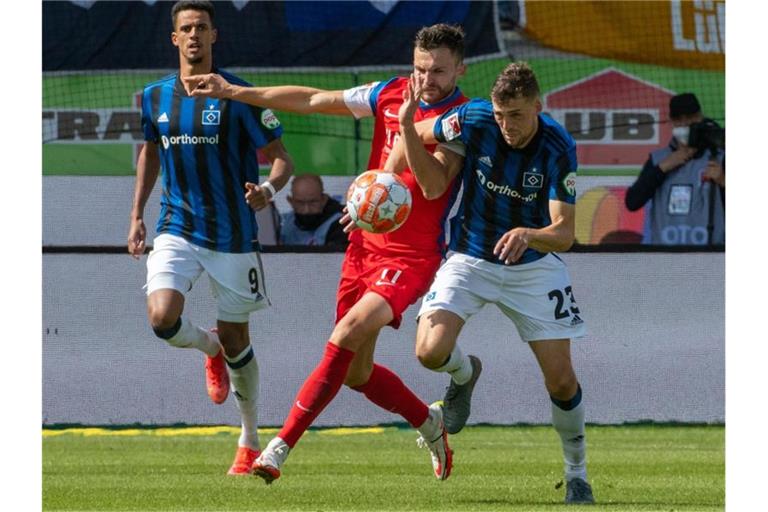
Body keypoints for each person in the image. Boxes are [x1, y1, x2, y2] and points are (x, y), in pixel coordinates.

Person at [183, 23, 482, 482]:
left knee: (345, 334)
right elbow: (313, 99)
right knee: (357, 373)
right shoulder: (389, 93)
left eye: (439, 71)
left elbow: (434, 184)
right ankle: (430, 421)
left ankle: (278, 448)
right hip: (363, 248)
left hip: (411, 257)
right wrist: (233, 92)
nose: (427, 80)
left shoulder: (464, 117)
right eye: (421, 69)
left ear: (459, 69)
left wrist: (405, 132)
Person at [390, 62, 595, 504]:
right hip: (471, 257)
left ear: (538, 107)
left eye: (517, 115)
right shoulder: (475, 118)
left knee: (560, 381)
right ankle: (464, 376)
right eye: (501, 115)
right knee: (429, 351)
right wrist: (398, 145)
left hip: (534, 266)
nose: (506, 126)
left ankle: (576, 473)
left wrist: (529, 234)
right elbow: (421, 135)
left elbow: (565, 233)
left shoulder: (559, 147)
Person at [126, 0, 294, 476]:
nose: (194, 35)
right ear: (174, 39)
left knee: (240, 338)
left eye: (202, 27)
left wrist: (266, 189)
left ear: (214, 36)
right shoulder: (155, 96)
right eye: (186, 28)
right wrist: (137, 214)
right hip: (176, 226)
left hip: (233, 233)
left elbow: (283, 159)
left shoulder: (240, 94)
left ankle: (248, 439)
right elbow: (149, 154)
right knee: (161, 318)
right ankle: (208, 347)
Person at [625, 92, 725, 245]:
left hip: (709, 260)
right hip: (666, 260)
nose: (685, 124)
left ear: (700, 117)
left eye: (690, 117)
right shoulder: (658, 159)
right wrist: (664, 167)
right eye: (679, 119)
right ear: (671, 121)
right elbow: (632, 202)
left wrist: (723, 180)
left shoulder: (719, 156)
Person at [279, 174, 348, 248]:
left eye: (313, 202)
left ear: (324, 200)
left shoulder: (341, 223)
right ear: (291, 201)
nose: (306, 210)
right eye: (300, 203)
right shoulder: (283, 222)